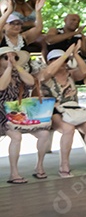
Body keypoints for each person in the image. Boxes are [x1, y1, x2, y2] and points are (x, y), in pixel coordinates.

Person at [39, 45, 86, 177]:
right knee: (68, 129)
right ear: (49, 62)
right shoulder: (44, 75)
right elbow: (47, 73)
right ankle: (64, 165)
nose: (61, 63)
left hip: (73, 110)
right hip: (54, 111)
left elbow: (84, 71)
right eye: (56, 60)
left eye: (63, 60)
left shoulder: (71, 74)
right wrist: (65, 54)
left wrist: (75, 54)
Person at [0, 46, 49, 184]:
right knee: (16, 136)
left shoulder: (18, 74)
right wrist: (9, 68)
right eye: (6, 57)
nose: (11, 60)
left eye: (14, 57)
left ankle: (39, 166)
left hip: (21, 114)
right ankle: (14, 173)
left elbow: (31, 82)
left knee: (44, 133)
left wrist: (16, 66)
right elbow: (2, 86)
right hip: (2, 116)